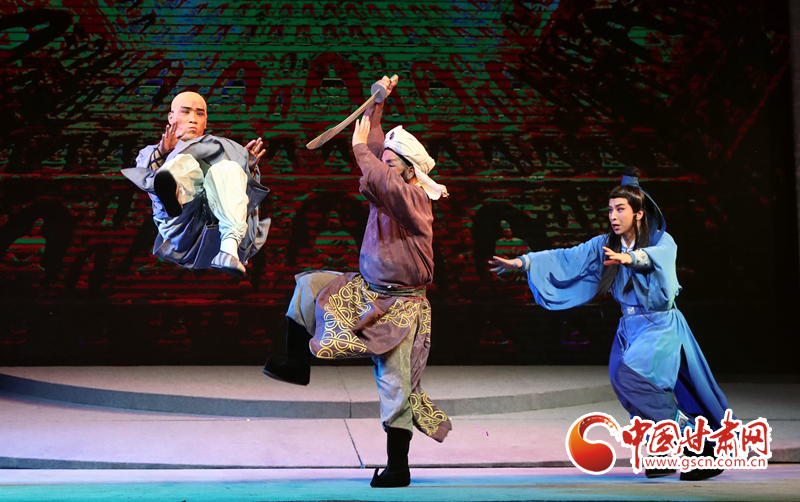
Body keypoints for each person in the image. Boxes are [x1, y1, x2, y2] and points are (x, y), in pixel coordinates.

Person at [263, 76, 452, 488]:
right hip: (368, 290)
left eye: (391, 161)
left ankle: (398, 467)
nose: (382, 165)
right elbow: (380, 156)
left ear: (410, 170)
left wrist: (360, 149)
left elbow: (380, 173)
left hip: (401, 306)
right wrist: (377, 106)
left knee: (395, 383)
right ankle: (296, 364)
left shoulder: (415, 199)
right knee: (310, 285)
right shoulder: (393, 186)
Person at [489, 168, 729, 481]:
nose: (614, 216)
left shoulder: (661, 241)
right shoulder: (605, 243)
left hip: (660, 326)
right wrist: (523, 262)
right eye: (611, 210)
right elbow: (567, 257)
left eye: (621, 209)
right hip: (629, 326)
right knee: (623, 380)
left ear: (639, 213)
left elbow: (656, 258)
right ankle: (662, 450)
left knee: (634, 379)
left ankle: (700, 443)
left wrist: (631, 259)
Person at [121, 91, 271, 277]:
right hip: (182, 226)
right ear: (171, 117)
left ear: (205, 121)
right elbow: (145, 176)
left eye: (199, 113)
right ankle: (173, 195)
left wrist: (247, 168)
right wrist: (163, 151)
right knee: (184, 162)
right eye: (185, 112)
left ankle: (228, 251)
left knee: (229, 167)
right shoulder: (153, 152)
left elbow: (244, 199)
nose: (193, 119)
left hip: (217, 223)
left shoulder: (224, 150)